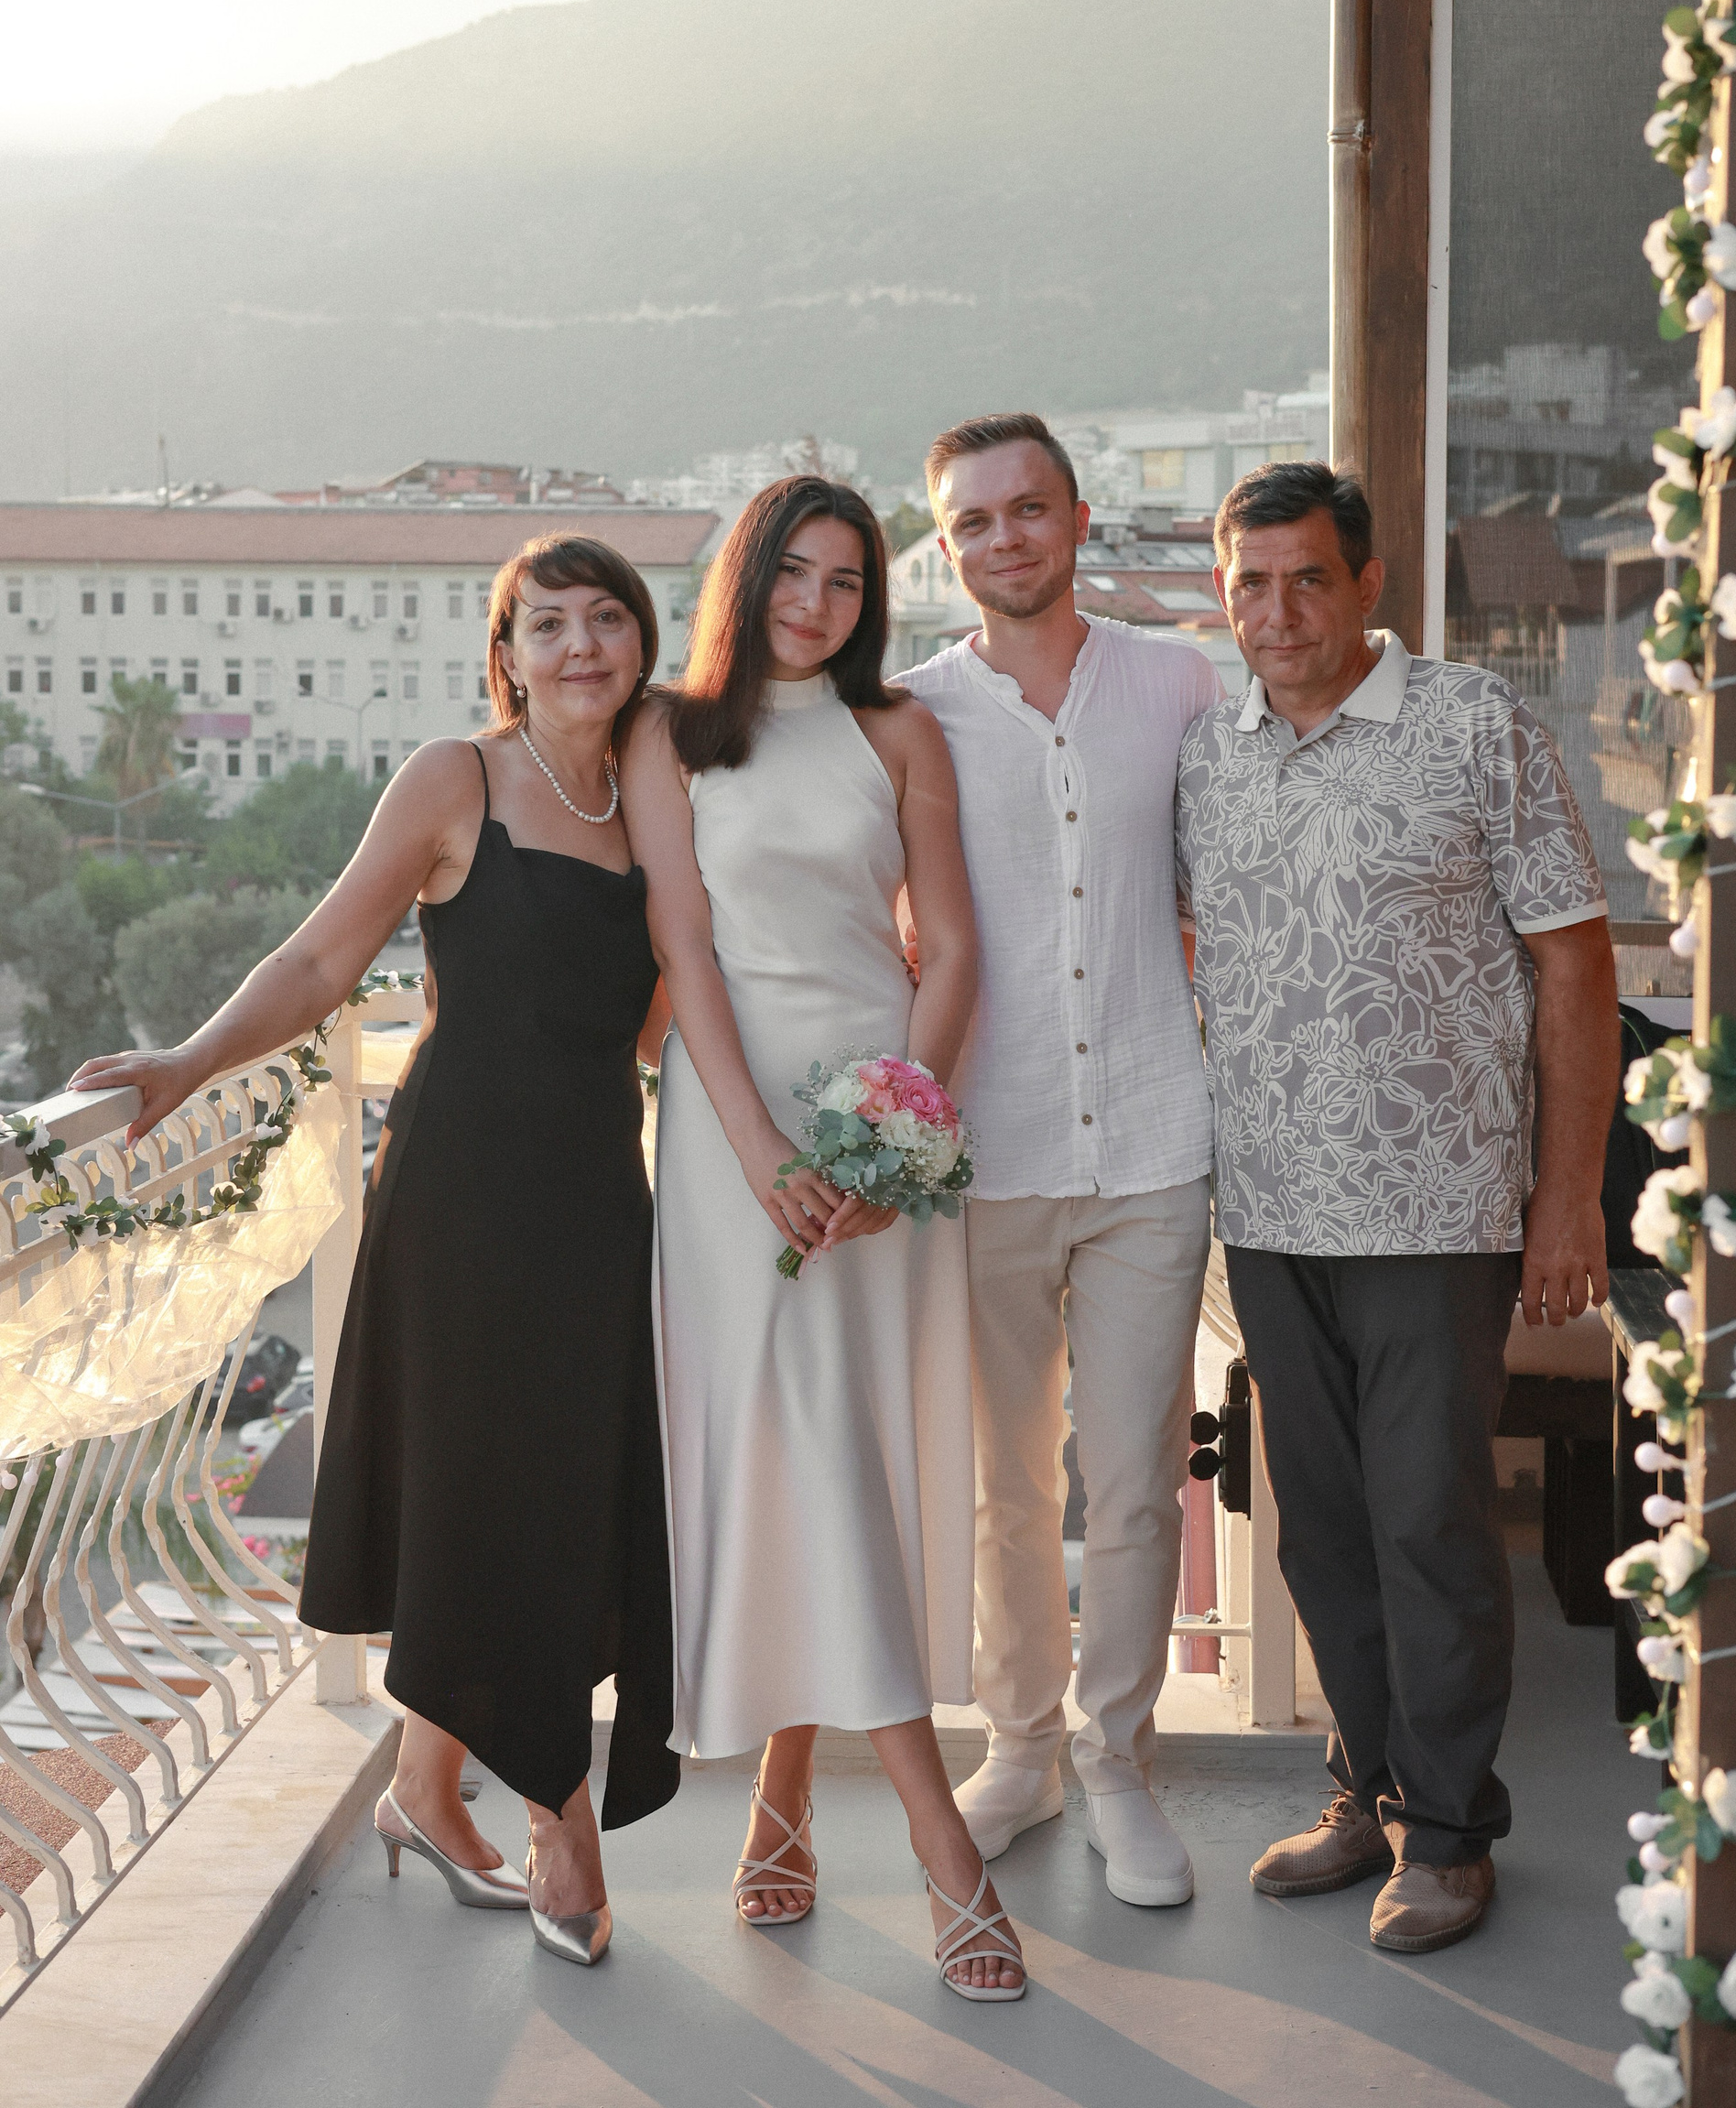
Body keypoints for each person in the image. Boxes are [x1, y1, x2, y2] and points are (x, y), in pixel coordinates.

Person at [72, 533, 680, 1970]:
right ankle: (562, 1821)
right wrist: (188, 1061)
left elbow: (671, 1010)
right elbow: (318, 960)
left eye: (607, 619)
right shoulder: (454, 779)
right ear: (506, 653)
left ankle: (421, 1788)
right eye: (548, 623)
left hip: (600, 1204)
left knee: (565, 1492)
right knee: (491, 1497)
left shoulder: (657, 797)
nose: (580, 646)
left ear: (643, 644)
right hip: (460, 1202)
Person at [1175, 462, 1620, 1955]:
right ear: (1222, 594)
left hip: (1440, 1207)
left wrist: (1567, 1198)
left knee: (1430, 1518)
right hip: (1268, 1207)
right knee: (1321, 1530)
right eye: (1251, 583)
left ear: (1369, 585)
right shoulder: (1210, 752)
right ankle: (1366, 1790)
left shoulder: (1474, 725)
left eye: (1309, 578)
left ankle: (1449, 1831)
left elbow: (1574, 961)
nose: (1278, 611)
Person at [622, 474, 1025, 2001]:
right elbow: (684, 950)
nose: (816, 603)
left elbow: (956, 946)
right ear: (749, 577)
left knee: (841, 1449)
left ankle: (785, 1796)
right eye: (793, 572)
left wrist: (896, 1141)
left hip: (877, 1126)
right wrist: (761, 1153)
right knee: (799, 1448)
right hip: (735, 1142)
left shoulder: (897, 732)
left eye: (846, 581)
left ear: (872, 600)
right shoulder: (670, 733)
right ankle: (943, 1847)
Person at [895, 413, 1222, 1909]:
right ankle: (1020, 1749)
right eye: (973, 521)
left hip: (1153, 1140)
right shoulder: (910, 716)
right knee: (1005, 1485)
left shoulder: (1179, 681)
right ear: (944, 547)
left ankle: (1119, 1764)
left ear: (1080, 519)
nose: (1004, 538)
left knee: (1139, 1479)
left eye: (1028, 509)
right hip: (986, 1154)